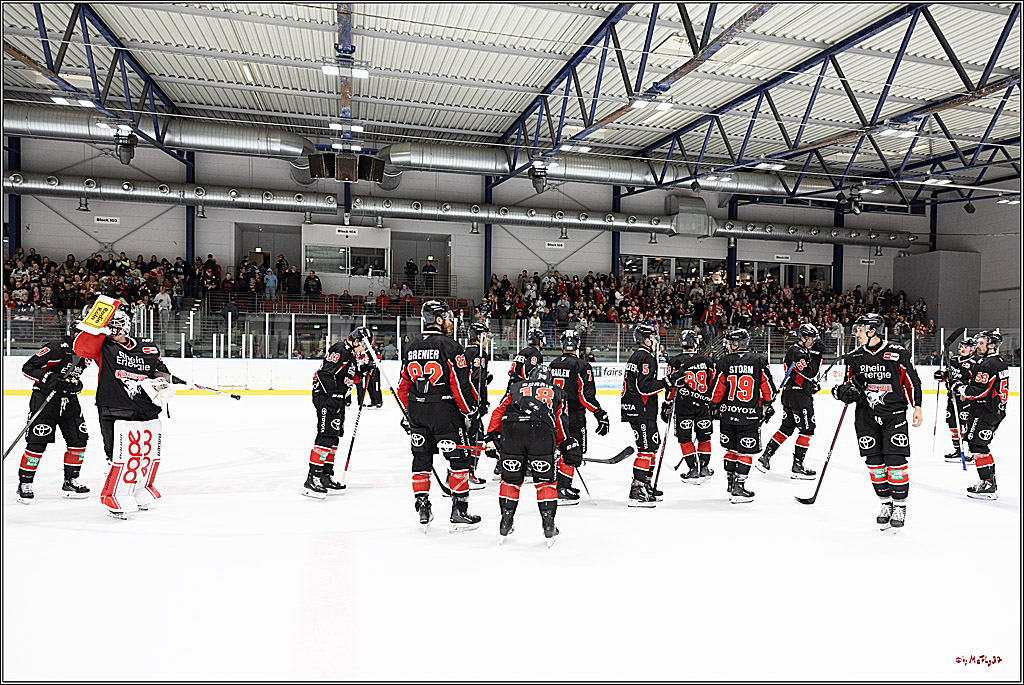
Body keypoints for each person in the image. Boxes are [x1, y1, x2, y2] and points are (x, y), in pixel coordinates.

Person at [73, 299, 183, 519]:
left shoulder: (148, 346)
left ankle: (140, 490)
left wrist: (167, 381)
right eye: (109, 327)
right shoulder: (103, 346)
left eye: (115, 326)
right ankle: (115, 496)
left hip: (146, 410)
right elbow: (81, 347)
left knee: (146, 455)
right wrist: (97, 322)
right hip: (115, 410)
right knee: (118, 457)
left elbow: (159, 370)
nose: (113, 331)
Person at [831, 313, 923, 531]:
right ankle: (885, 503)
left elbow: (912, 381)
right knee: (874, 462)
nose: (857, 334)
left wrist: (917, 406)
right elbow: (848, 384)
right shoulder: (854, 357)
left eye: (861, 330)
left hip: (894, 415)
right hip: (866, 416)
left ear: (873, 330)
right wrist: (843, 391)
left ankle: (900, 505)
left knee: (896, 461)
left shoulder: (897, 353)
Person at [397, 300, 480, 531]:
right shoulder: (450, 345)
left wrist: (408, 413)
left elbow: (404, 385)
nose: (451, 321)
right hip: (445, 413)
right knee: (459, 460)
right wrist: (470, 411)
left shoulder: (410, 345)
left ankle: (423, 506)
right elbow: (460, 384)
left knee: (421, 460)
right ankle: (459, 511)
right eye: (448, 317)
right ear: (439, 319)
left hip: (418, 412)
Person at [486, 365, 577, 545]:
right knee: (545, 481)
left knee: (510, 480)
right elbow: (559, 421)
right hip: (541, 434)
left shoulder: (516, 387)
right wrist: (564, 444)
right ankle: (548, 524)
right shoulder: (558, 392)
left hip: (512, 432)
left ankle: (506, 520)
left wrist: (491, 436)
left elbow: (500, 411)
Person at [16, 336, 92, 503]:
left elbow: (74, 376)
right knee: (37, 441)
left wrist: (76, 385)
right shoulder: (57, 348)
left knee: (79, 439)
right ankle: (25, 483)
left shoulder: (88, 353)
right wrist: (49, 379)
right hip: (45, 399)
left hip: (70, 401)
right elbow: (28, 367)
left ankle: (70, 481)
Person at [303, 326, 372, 499]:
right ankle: (313, 478)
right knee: (326, 435)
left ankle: (326, 476)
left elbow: (350, 376)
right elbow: (324, 373)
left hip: (337, 399)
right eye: (363, 345)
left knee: (334, 437)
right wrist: (333, 394)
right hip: (327, 398)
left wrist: (363, 370)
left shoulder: (352, 355)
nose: (364, 348)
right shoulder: (340, 349)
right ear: (356, 340)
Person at [709, 328, 776, 504]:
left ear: (737, 343)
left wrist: (713, 406)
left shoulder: (723, 362)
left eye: (730, 342)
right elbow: (767, 388)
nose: (727, 346)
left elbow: (717, 389)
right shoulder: (759, 361)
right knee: (745, 451)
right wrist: (768, 404)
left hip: (728, 415)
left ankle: (731, 484)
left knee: (730, 449)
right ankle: (739, 487)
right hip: (750, 415)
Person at [548, 329, 609, 504]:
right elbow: (585, 396)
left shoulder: (552, 364)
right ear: (578, 344)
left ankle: (560, 484)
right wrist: (600, 413)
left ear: (561, 344)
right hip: (573, 416)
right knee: (574, 450)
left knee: (559, 448)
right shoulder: (582, 365)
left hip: (555, 415)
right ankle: (563, 488)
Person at [757, 323, 824, 479]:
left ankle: (765, 457)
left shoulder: (798, 351)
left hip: (792, 394)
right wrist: (817, 355)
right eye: (811, 338)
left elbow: (801, 375)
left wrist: (810, 385)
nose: (813, 341)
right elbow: (810, 372)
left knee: (787, 428)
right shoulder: (797, 352)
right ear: (803, 337)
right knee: (807, 429)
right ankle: (798, 466)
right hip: (798, 397)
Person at [956, 330, 1009, 500]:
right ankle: (988, 482)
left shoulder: (988, 364)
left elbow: (979, 390)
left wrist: (960, 388)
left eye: (981, 343)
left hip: (985, 411)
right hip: (994, 409)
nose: (977, 345)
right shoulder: (999, 361)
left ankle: (988, 484)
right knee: (979, 445)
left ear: (991, 345)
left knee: (978, 446)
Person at [622, 323, 669, 507]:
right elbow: (644, 387)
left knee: (652, 445)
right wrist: (667, 381)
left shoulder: (637, 356)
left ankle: (646, 484)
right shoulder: (646, 358)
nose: (656, 340)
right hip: (640, 409)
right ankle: (637, 489)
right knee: (646, 448)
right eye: (654, 337)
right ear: (646, 340)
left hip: (639, 409)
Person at [662, 329, 715, 485]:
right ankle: (704, 467)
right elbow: (713, 383)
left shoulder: (674, 361)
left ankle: (693, 468)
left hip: (683, 406)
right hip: (704, 405)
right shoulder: (706, 361)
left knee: (685, 438)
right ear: (695, 343)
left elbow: (670, 386)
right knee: (704, 436)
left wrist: (667, 403)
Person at [935, 334, 977, 463]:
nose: (963, 349)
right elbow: (948, 376)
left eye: (967, 347)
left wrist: (967, 391)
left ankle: (970, 450)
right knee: (952, 422)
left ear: (973, 349)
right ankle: (958, 449)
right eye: (962, 346)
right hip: (952, 397)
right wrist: (941, 376)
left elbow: (976, 382)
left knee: (965, 424)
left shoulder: (975, 364)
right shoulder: (954, 361)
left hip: (966, 399)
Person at [463, 322, 493, 486]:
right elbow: (475, 380)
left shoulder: (463, 352)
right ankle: (468, 472)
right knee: (476, 437)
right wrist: (479, 403)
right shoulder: (480, 353)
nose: (487, 339)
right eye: (486, 336)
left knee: (469, 437)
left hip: (461, 402)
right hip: (472, 404)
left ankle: (463, 471)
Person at [507, 327, 545, 394]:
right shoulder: (536, 354)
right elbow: (530, 374)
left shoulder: (523, 351)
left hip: (512, 384)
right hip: (522, 388)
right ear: (539, 341)